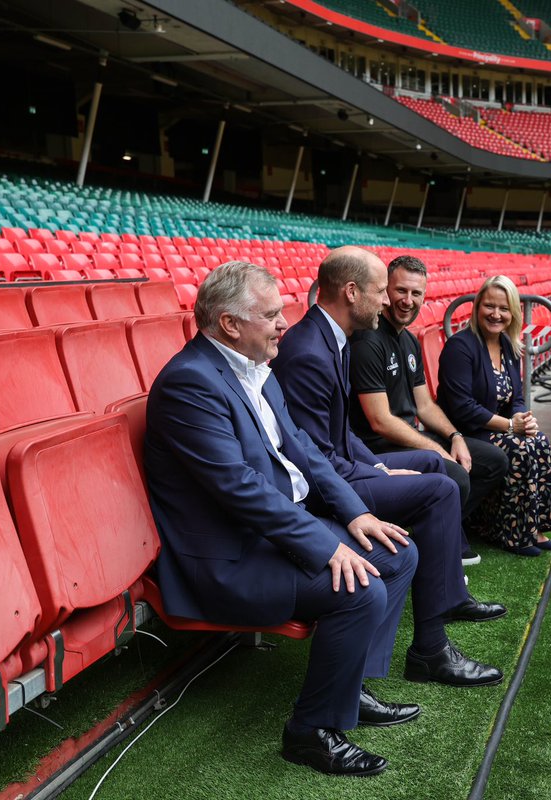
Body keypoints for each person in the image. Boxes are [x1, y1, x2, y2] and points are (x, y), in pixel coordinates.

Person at [143, 261, 420, 777]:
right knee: (361, 588)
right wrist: (325, 544)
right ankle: (310, 733)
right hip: (231, 556)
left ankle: (349, 688)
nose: (283, 325)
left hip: (273, 533)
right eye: (271, 315)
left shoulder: (253, 366)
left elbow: (306, 451)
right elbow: (239, 491)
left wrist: (355, 514)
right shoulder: (189, 384)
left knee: (397, 552)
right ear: (230, 323)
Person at [272, 246, 506, 689]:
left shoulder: (331, 339)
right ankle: (431, 649)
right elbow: (313, 460)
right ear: (352, 291)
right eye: (383, 291)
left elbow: (339, 439)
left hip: (345, 465)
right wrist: (376, 474)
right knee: (439, 488)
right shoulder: (309, 351)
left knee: (437, 469)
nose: (386, 301)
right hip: (327, 486)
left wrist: (378, 468)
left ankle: (444, 598)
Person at [349, 255, 509, 547]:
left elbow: (425, 405)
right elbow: (380, 421)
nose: (408, 300)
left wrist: (455, 436)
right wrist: (438, 450)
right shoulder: (367, 340)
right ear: (386, 290)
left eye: (416, 293)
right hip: (377, 446)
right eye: (401, 290)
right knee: (455, 474)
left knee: (493, 461)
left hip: (409, 437)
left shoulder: (409, 340)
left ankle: (434, 529)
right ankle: (439, 541)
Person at [436, 275, 551, 557]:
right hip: (463, 430)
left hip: (493, 427)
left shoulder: (508, 346)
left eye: (503, 308)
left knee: (538, 441)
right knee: (519, 447)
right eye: (489, 306)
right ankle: (511, 533)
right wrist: (510, 425)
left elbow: (516, 397)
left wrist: (522, 420)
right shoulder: (460, 346)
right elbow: (462, 408)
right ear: (477, 307)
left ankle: (533, 527)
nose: (496, 314)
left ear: (513, 313)